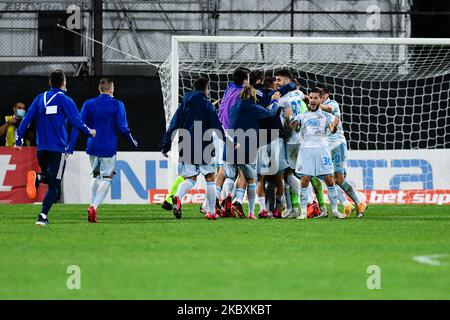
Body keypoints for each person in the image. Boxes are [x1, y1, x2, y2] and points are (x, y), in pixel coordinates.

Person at [15, 69, 96, 226]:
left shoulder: (40, 99)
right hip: (57, 149)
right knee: (54, 187)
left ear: (50, 82)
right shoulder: (65, 100)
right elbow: (76, 122)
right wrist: (89, 132)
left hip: (41, 149)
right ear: (63, 82)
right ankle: (42, 216)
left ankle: (38, 178)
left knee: (50, 179)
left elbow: (27, 119)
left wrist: (18, 140)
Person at [67, 78, 138, 223]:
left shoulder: (89, 103)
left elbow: (78, 125)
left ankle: (92, 206)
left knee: (95, 175)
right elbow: (123, 127)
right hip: (108, 147)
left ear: (100, 89)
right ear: (111, 89)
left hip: (92, 145)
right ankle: (94, 206)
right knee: (107, 177)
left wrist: (71, 146)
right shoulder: (118, 104)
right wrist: (132, 141)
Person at [161, 77, 227, 220]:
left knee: (190, 178)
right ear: (206, 88)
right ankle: (211, 211)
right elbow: (216, 125)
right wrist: (226, 140)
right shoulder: (207, 105)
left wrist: (166, 145)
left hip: (186, 144)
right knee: (210, 177)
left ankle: (177, 197)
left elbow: (173, 125)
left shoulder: (184, 103)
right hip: (204, 145)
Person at [286, 88, 347, 220]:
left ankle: (335, 210)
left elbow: (332, 130)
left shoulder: (326, 116)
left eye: (315, 98)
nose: (313, 101)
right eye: (311, 98)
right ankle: (303, 212)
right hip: (306, 151)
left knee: (329, 180)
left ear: (320, 99)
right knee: (304, 180)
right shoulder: (302, 116)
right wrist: (289, 118)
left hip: (322, 150)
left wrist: (335, 126)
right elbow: (293, 127)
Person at [224, 86, 281, 219]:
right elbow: (271, 113)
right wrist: (275, 101)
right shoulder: (255, 108)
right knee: (251, 180)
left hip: (232, 144)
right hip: (247, 146)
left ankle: (227, 195)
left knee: (230, 176)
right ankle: (250, 212)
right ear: (253, 95)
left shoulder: (233, 108)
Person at [315, 83, 367, 218]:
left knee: (338, 179)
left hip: (337, 145)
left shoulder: (332, 103)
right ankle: (348, 204)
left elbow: (329, 109)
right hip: (325, 147)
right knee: (328, 178)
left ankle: (357, 202)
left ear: (326, 95)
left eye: (320, 94)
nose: (318, 97)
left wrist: (314, 104)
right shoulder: (316, 110)